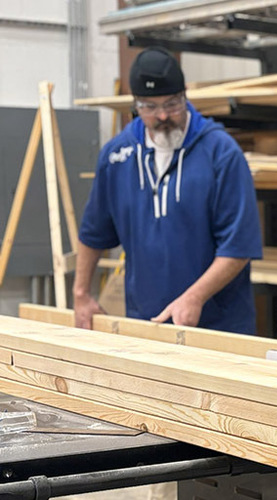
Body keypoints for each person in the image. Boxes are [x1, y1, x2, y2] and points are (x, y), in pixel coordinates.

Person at [73, 47, 262, 335]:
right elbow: (93, 233)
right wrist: (81, 293)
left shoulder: (221, 154)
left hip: (216, 327)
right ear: (135, 104)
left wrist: (194, 297)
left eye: (172, 104)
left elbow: (238, 248)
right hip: (146, 324)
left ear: (185, 95)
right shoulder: (117, 156)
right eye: (149, 106)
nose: (162, 115)